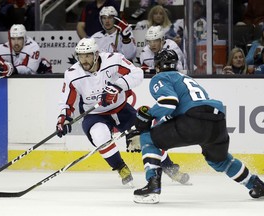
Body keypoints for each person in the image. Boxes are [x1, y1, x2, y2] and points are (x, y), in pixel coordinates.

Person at [132, 49, 264, 204]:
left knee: (148, 137)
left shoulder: (160, 77)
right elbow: (176, 111)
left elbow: (169, 102)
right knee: (220, 161)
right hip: (217, 119)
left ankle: (152, 185)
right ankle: (255, 184)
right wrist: (152, 118)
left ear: (157, 66)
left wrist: (147, 117)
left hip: (194, 119)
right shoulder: (186, 78)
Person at [55, 37, 143, 186]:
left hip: (121, 109)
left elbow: (137, 74)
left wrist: (117, 87)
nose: (84, 60)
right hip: (95, 115)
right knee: (100, 136)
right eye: (81, 56)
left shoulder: (113, 60)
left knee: (146, 135)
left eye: (88, 55)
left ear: (96, 54)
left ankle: (168, 166)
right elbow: (67, 101)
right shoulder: (73, 74)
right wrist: (63, 118)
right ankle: (121, 168)